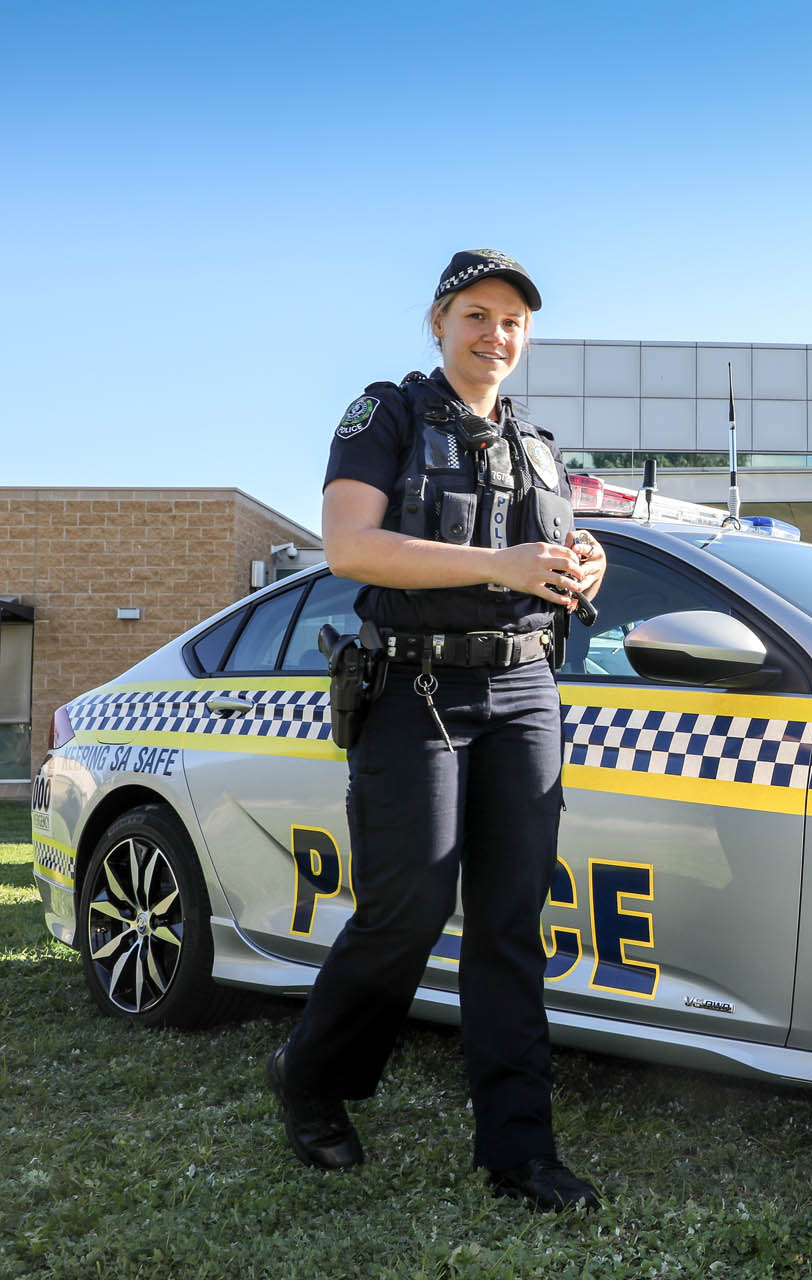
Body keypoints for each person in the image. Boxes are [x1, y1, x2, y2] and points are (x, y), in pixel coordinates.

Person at [268, 249, 607, 1212]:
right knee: (406, 908)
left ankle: (519, 1152)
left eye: (511, 321)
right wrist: (501, 565)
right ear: (437, 322)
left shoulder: (537, 445)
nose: (495, 334)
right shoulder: (387, 414)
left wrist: (583, 568)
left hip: (525, 691)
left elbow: (555, 560)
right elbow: (349, 547)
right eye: (476, 315)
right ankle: (313, 1074)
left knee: (509, 921)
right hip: (415, 688)